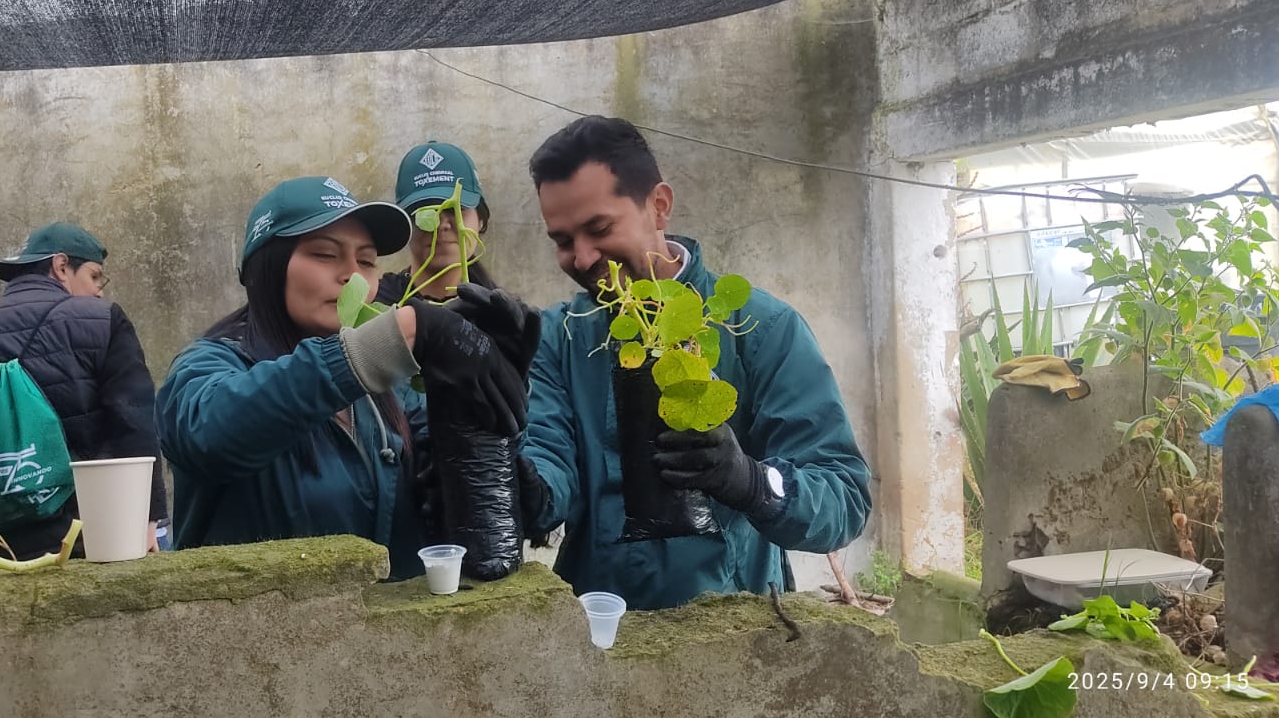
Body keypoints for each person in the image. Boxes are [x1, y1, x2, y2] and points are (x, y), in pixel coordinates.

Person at [484, 115, 872, 610]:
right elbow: (548, 459)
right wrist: (517, 480)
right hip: (595, 624)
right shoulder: (561, 336)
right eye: (562, 241)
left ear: (659, 206)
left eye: (599, 229)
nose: (581, 258)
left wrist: (751, 482)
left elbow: (844, 497)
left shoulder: (760, 327)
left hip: (737, 624)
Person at [154, 176, 526, 580]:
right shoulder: (207, 365)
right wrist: (401, 334)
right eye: (325, 254)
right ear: (268, 266)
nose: (352, 275)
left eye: (366, 262)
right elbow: (208, 433)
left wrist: (477, 405)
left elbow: (464, 508)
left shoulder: (392, 391)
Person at [0, 222, 168, 559]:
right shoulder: (103, 320)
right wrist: (148, 515)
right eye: (94, 276)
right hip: (106, 535)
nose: (99, 291)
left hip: (13, 548)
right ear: (61, 266)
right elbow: (134, 422)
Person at [377, 141, 501, 305]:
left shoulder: (500, 310)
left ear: (481, 220)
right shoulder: (376, 307)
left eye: (455, 210)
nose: (441, 225)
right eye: (424, 211)